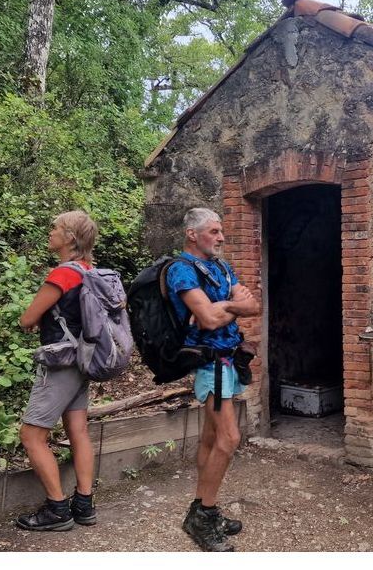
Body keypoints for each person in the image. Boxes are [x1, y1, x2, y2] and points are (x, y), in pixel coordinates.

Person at [168, 207, 260, 552]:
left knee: (210, 438)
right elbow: (206, 320)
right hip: (211, 366)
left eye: (221, 232)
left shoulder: (221, 266)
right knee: (229, 437)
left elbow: (253, 308)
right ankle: (203, 516)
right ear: (193, 234)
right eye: (214, 232)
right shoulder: (181, 270)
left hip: (230, 361)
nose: (221, 238)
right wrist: (231, 306)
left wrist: (224, 308)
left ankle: (202, 507)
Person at [14, 210, 100, 531]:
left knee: (32, 434)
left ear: (70, 239)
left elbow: (27, 318)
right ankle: (84, 503)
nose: (50, 233)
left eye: (55, 228)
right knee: (77, 431)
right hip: (84, 362)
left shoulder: (64, 274)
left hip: (61, 363)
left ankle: (57, 510)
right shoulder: (91, 271)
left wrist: (33, 320)